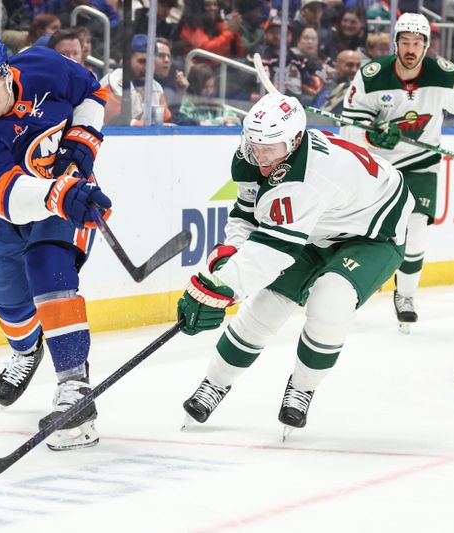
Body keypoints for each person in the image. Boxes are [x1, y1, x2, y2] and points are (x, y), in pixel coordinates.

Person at [177, 91, 414, 437]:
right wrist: (233, 250)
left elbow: (272, 251)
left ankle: (303, 387)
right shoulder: (252, 157)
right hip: (319, 225)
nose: (260, 157)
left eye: (269, 147)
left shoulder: (309, 180)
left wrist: (220, 289)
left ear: (297, 140)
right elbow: (246, 215)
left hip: (374, 234)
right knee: (266, 306)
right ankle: (214, 383)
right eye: (254, 144)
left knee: (331, 300)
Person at [0, 29, 111, 450]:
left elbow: (92, 93)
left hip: (59, 202)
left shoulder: (43, 65)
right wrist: (59, 194)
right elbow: (9, 199)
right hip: (3, 217)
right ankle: (26, 351)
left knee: (48, 269)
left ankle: (74, 389)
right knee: (11, 306)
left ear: (5, 71)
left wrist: (82, 143)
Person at [340, 12, 454, 333]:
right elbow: (349, 128)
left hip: (421, 165)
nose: (411, 49)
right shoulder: (371, 75)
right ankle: (344, 291)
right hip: (378, 166)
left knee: (415, 234)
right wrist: (371, 135)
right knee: (362, 233)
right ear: (396, 44)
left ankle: (406, 296)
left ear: (427, 45)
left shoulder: (443, 75)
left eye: (417, 43)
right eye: (405, 42)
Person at [101, 33, 172, 125]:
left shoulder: (156, 87)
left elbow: (165, 119)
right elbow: (113, 120)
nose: (147, 67)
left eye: (151, 62)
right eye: (142, 61)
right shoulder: (114, 80)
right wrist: (148, 126)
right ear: (127, 60)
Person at [316, 48, 360, 114]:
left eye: (358, 66)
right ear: (337, 66)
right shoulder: (325, 88)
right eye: (349, 65)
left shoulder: (362, 93)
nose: (354, 70)